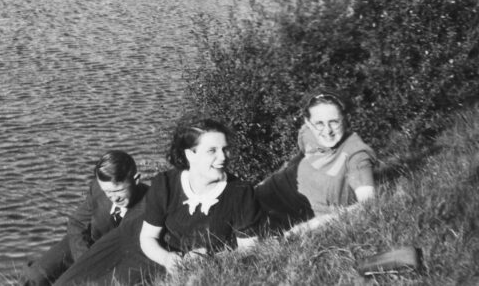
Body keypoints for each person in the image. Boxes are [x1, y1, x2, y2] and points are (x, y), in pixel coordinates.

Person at [54, 117, 261, 285]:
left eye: (225, 149)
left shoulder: (240, 193)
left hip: (170, 267)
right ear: (190, 154)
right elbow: (148, 237)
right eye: (212, 151)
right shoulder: (167, 183)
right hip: (145, 247)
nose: (223, 157)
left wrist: (211, 259)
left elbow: (250, 249)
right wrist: (167, 258)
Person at [255, 88, 376, 237]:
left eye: (334, 122)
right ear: (309, 122)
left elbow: (368, 204)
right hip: (260, 194)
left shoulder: (356, 154)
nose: (327, 131)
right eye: (319, 123)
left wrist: (315, 224)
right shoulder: (307, 132)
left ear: (345, 118)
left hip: (285, 217)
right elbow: (300, 157)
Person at [20, 150, 148, 286]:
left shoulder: (152, 203)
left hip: (116, 258)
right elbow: (77, 224)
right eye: (108, 192)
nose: (114, 198)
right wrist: (85, 259)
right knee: (35, 276)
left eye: (118, 190)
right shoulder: (98, 188)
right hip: (85, 245)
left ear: (136, 179)